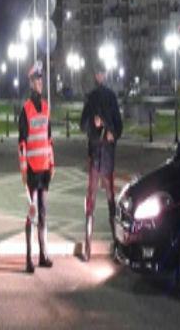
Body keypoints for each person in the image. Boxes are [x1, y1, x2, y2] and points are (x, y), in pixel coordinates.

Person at [79, 65, 123, 261]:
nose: (100, 75)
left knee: (111, 199)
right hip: (95, 154)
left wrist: (113, 133)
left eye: (102, 72)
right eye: (97, 72)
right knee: (91, 199)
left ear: (105, 74)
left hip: (108, 155)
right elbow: (83, 124)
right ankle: (87, 245)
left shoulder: (112, 97)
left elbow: (119, 125)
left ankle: (117, 243)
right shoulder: (90, 99)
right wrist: (93, 123)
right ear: (95, 75)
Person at [17, 62, 55, 274]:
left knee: (43, 213)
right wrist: (23, 170)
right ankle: (28, 258)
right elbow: (22, 143)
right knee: (32, 213)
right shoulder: (26, 109)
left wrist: (52, 162)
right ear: (30, 83)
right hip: (31, 169)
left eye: (41, 80)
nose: (40, 83)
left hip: (44, 170)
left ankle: (42, 255)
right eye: (36, 80)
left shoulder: (46, 106)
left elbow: (49, 138)